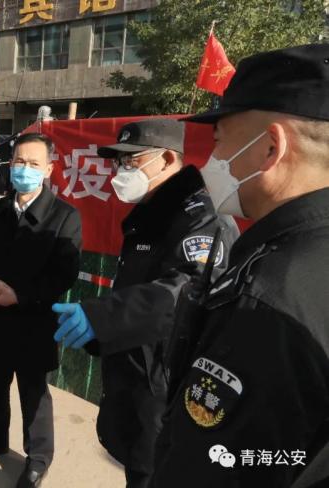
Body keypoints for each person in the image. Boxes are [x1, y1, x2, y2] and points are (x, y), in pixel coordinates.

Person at [146, 44, 329, 488]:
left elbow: (209, 467)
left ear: (270, 148)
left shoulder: (268, 299)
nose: (213, 161)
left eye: (219, 141)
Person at [52, 119, 239, 488]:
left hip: (168, 383)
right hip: (136, 372)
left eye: (131, 161)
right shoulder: (152, 212)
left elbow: (187, 291)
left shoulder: (203, 217)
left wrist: (104, 317)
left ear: (167, 159)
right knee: (137, 465)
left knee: (154, 471)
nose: (121, 171)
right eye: (118, 162)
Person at [0, 133, 81, 488]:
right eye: (19, 162)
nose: (24, 169)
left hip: (35, 322)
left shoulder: (64, 216)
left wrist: (20, 296)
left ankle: (37, 458)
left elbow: (63, 274)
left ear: (48, 169)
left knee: (34, 395)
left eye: (33, 163)